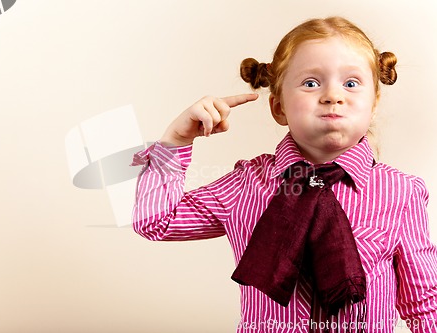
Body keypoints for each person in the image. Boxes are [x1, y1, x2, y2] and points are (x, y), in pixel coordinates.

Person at [131, 16, 437, 333]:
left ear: (373, 103)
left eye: (351, 83)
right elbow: (156, 222)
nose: (333, 95)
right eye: (310, 83)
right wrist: (176, 141)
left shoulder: (402, 192)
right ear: (278, 107)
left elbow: (425, 304)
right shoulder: (246, 184)